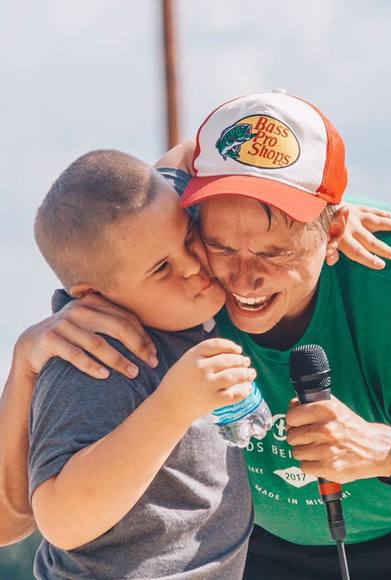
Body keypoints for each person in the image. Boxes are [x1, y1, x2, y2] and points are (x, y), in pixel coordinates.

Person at [3, 91, 391, 579]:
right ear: (191, 218)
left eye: (275, 252)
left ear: (335, 233)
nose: (241, 277)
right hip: (272, 553)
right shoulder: (156, 275)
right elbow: (11, 523)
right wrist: (26, 362)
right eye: (220, 245)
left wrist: (387, 451)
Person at [13, 149, 260, 579]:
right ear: (94, 295)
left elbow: (199, 148)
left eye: (189, 236)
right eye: (162, 268)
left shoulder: (157, 208)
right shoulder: (93, 355)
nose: (194, 266)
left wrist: (326, 213)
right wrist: (172, 407)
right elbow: (59, 519)